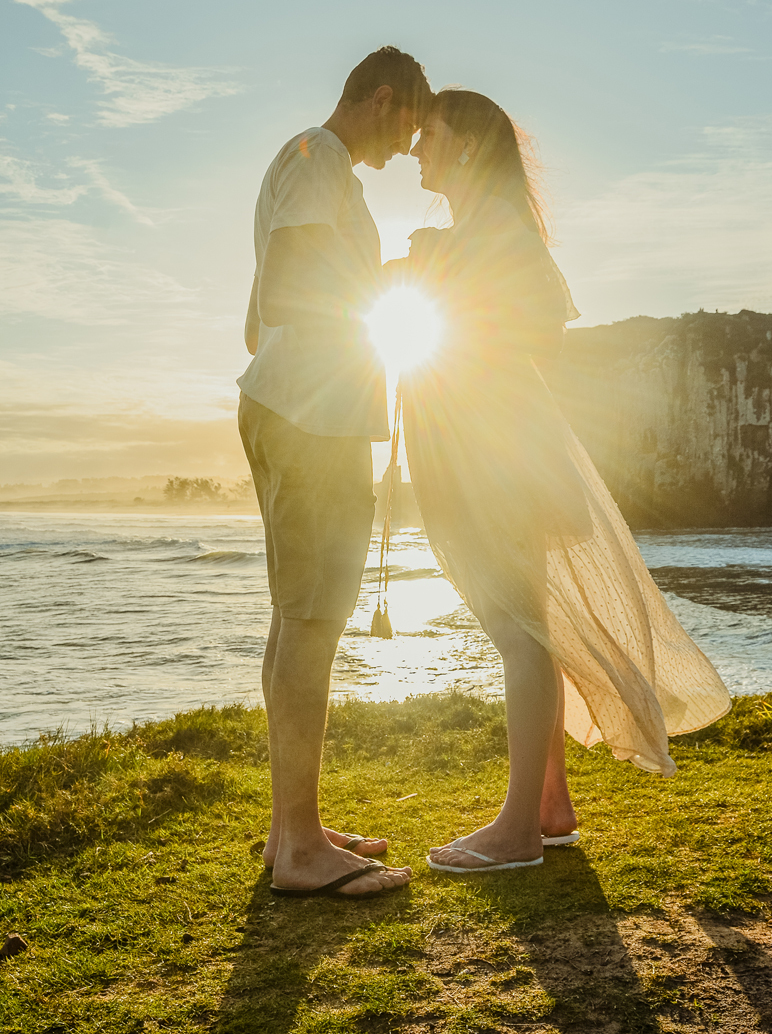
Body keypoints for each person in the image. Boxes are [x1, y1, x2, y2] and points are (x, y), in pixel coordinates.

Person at [388, 89, 730, 874]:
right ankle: (546, 806)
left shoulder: (497, 233)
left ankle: (514, 832)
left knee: (519, 632)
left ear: (467, 145)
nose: (414, 149)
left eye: (428, 135)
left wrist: (437, 268)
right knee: (526, 622)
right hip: (489, 448)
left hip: (498, 454)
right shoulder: (474, 232)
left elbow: (532, 332)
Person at [238, 47, 432, 898]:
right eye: (408, 124)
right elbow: (284, 291)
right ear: (382, 100)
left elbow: (256, 324)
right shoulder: (318, 158)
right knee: (313, 619)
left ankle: (292, 830)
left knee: (298, 616)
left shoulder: (315, 168)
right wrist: (391, 277)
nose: (409, 145)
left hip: (293, 404)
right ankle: (306, 851)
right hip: (307, 417)